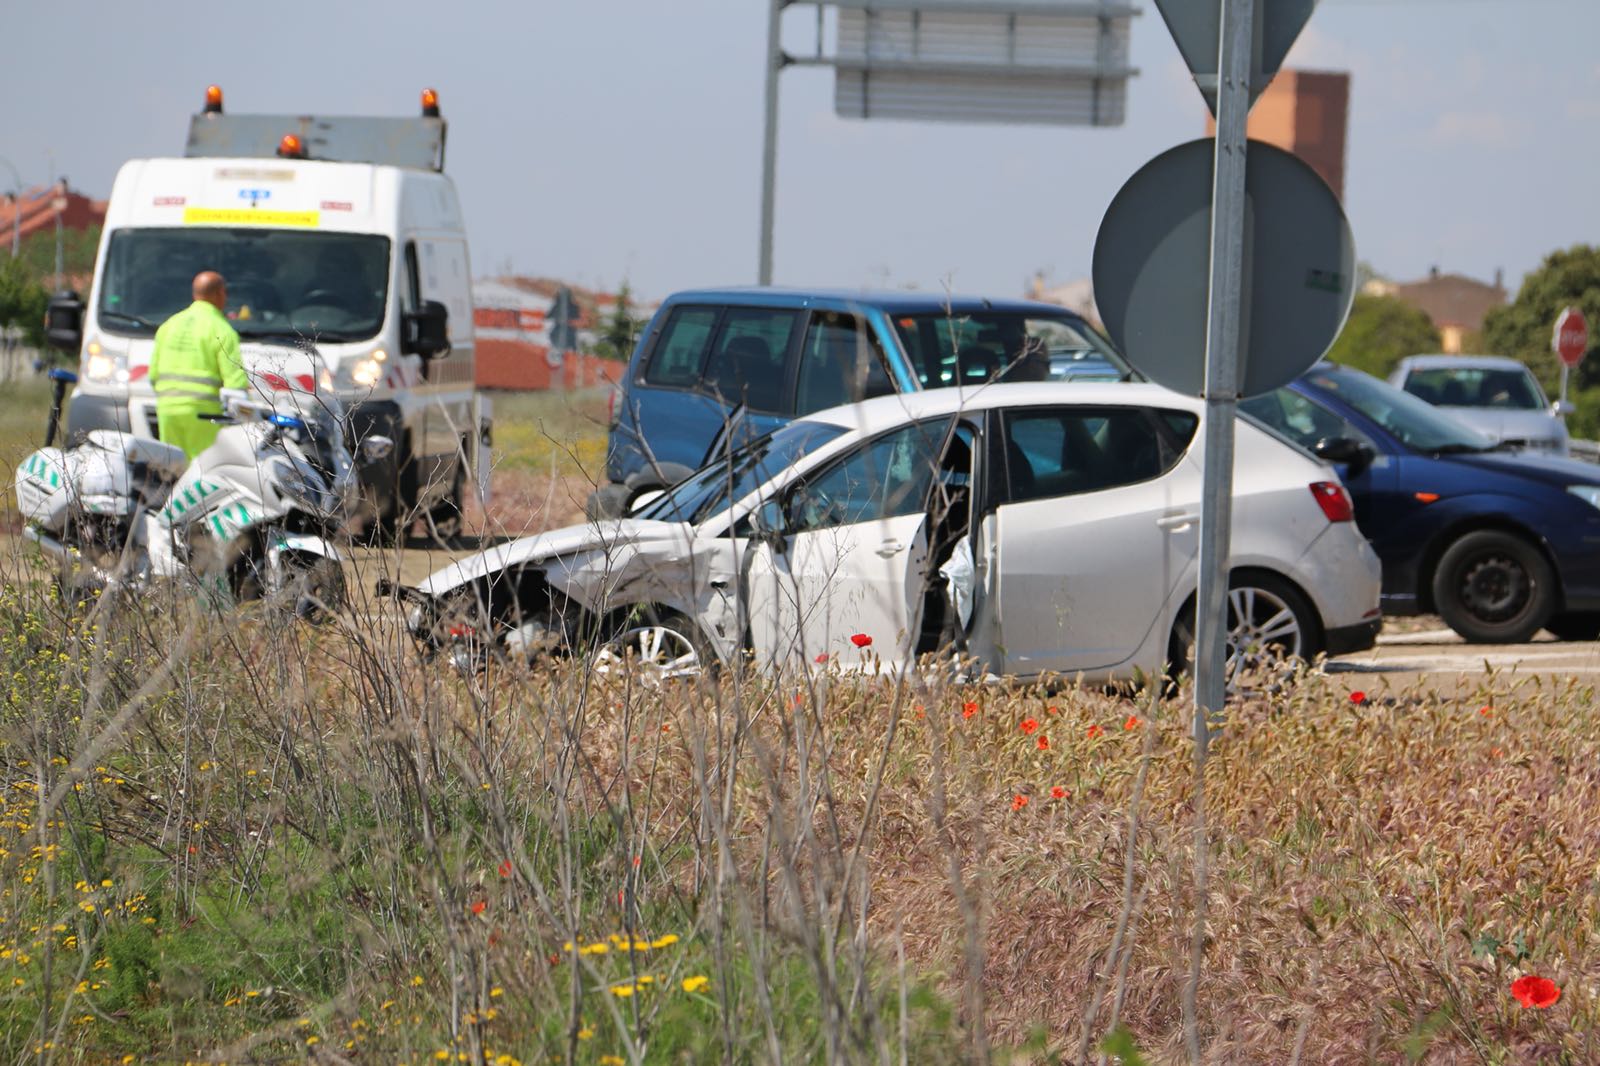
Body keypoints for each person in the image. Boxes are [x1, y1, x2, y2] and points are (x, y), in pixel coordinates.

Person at [148, 271, 249, 459]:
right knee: (202, 471)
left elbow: (153, 375)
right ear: (220, 294)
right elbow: (235, 384)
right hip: (204, 414)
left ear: (195, 294)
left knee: (172, 468)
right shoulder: (221, 329)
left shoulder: (169, 325)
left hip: (167, 410)